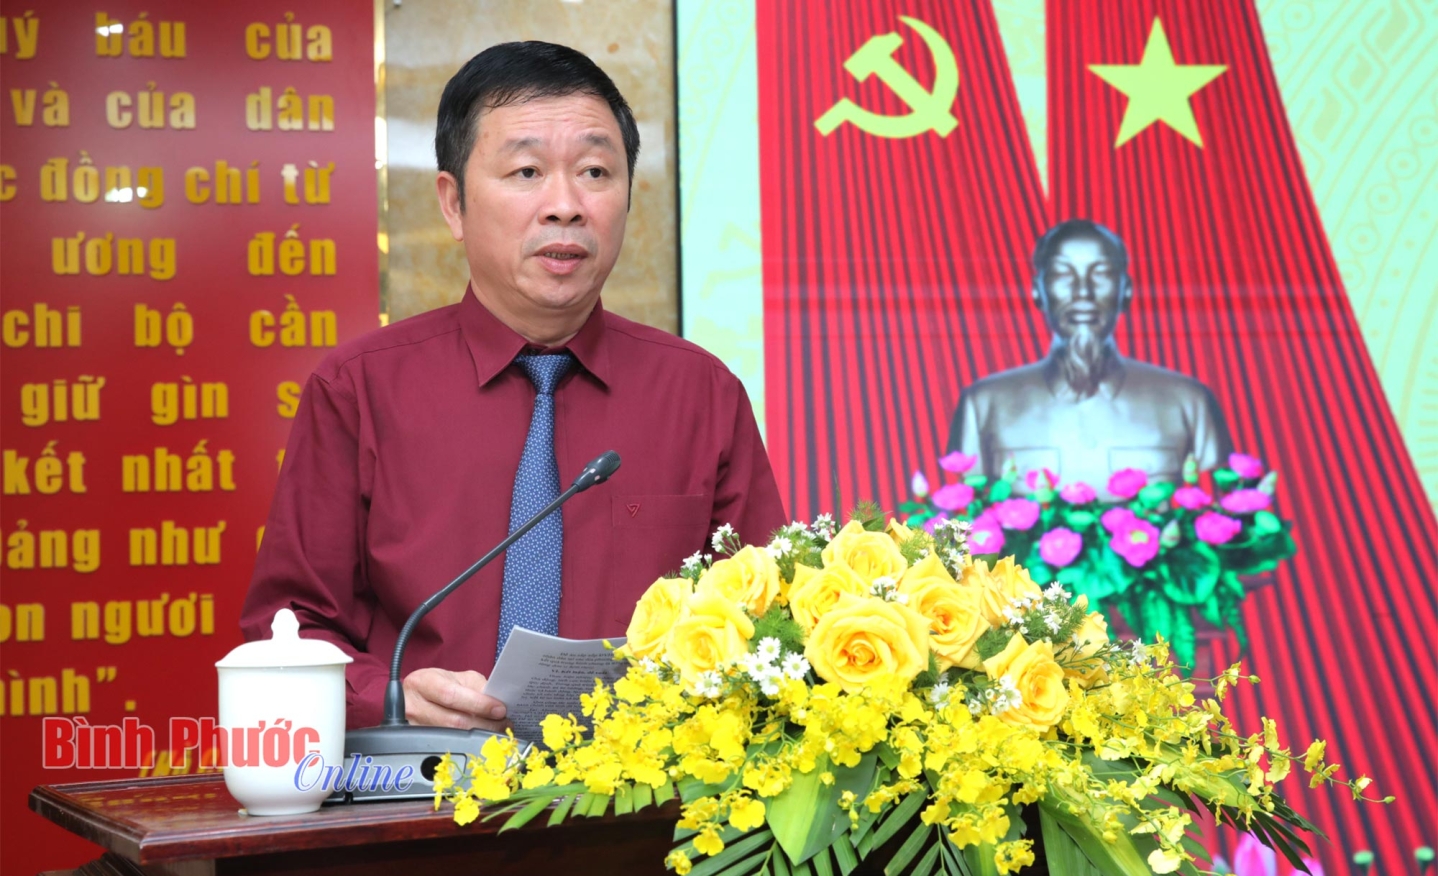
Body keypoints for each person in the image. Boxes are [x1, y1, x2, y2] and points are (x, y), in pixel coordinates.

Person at [241, 41, 786, 732]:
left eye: (595, 172)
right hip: (422, 780)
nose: (565, 206)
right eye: (526, 171)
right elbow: (287, 627)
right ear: (454, 204)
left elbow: (771, 620)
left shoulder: (701, 394)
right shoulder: (359, 390)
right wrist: (390, 696)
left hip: (647, 788)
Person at [947, 219, 1231, 498]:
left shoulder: (1189, 402)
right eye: (1062, 274)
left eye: (1101, 274)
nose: (1083, 292)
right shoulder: (983, 405)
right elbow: (959, 522)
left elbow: (1228, 515)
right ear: (1037, 291)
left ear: (1126, 290)